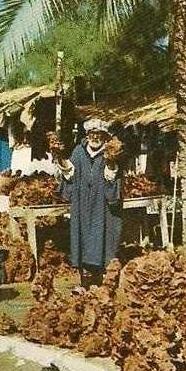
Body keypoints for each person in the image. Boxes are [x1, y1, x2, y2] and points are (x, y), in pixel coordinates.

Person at [55, 119, 122, 288]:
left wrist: (112, 161)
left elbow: (111, 176)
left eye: (98, 134)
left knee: (102, 236)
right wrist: (60, 157)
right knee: (82, 237)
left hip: (101, 205)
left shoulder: (110, 152)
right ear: (87, 135)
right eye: (92, 134)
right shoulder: (79, 151)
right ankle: (84, 282)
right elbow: (69, 173)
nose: (95, 137)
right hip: (82, 203)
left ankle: (102, 281)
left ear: (104, 136)